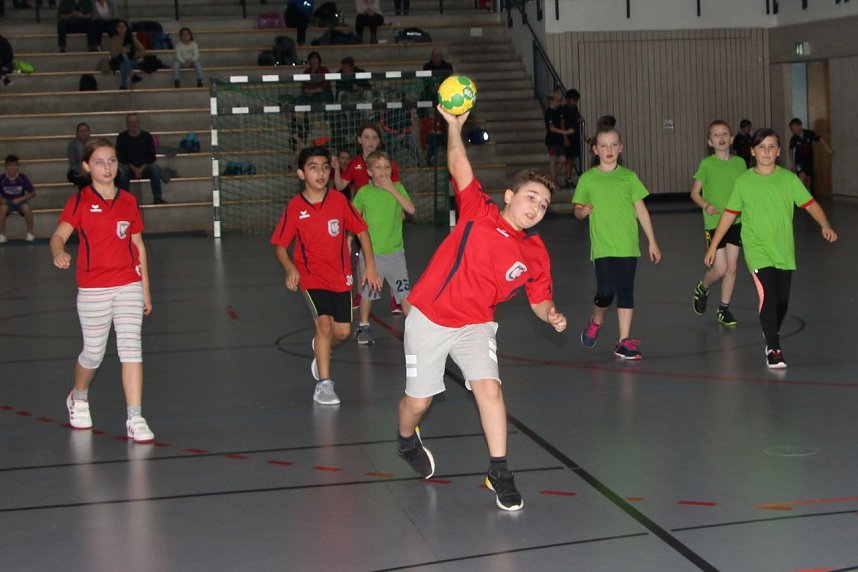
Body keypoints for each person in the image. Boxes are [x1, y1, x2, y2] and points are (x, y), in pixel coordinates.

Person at [397, 104, 566, 512]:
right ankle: (405, 440)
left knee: (489, 389)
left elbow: (539, 299)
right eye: (531, 198)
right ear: (509, 196)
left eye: (543, 205)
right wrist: (453, 126)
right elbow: (458, 163)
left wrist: (551, 314)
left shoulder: (536, 253)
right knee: (418, 403)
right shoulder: (478, 212)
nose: (536, 208)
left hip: (476, 324)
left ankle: (499, 471)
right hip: (430, 318)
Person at [49, 138, 155, 443]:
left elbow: (138, 246)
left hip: (128, 284)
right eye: (99, 162)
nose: (107, 167)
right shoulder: (80, 201)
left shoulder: (128, 201)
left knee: (131, 348)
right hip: (94, 287)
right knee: (93, 353)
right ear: (86, 166)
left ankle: (135, 416)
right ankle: (78, 396)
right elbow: (58, 236)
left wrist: (145, 289)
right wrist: (58, 252)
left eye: (111, 161)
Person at [705, 128, 836, 368]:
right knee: (767, 294)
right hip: (757, 249)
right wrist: (714, 246)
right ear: (753, 151)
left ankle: (771, 330)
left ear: (778, 152)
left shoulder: (788, 179)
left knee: (782, 301)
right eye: (761, 147)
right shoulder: (744, 182)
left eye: (771, 147)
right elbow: (729, 215)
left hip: (783, 249)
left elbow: (809, 204)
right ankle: (774, 348)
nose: (766, 151)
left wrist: (825, 224)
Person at [271, 145, 382, 405]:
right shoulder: (295, 207)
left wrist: (371, 265)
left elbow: (362, 231)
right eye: (313, 168)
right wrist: (290, 267)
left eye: (324, 167)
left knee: (342, 332)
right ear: (301, 174)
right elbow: (280, 245)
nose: (320, 173)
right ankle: (324, 384)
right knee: (323, 325)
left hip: (340, 276)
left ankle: (320, 351)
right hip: (311, 277)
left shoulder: (339, 201)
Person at [573, 127, 661, 360]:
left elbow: (641, 210)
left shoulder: (629, 177)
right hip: (603, 248)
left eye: (613, 145)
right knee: (605, 292)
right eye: (604, 145)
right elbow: (577, 211)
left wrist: (652, 241)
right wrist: (582, 211)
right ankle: (597, 319)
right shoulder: (588, 178)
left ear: (621, 147)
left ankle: (623, 341)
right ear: (595, 149)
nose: (609, 150)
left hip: (628, 246)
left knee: (625, 292)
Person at [333, 122, 404, 314]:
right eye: (366, 137)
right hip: (364, 219)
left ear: (379, 140)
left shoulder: (387, 164)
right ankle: (361, 292)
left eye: (374, 137)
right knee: (362, 256)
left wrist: (400, 209)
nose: (370, 141)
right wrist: (337, 169)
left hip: (385, 216)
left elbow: (396, 188)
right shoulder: (356, 163)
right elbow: (340, 186)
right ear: (359, 140)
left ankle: (396, 298)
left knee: (392, 258)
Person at [352, 150, 414, 344]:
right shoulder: (364, 193)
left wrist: (392, 189)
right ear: (369, 172)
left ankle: (414, 329)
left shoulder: (398, 187)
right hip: (373, 256)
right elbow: (353, 218)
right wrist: (348, 241)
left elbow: (411, 209)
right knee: (368, 294)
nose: (383, 171)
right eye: (378, 167)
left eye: (387, 167)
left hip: (395, 253)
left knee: (405, 293)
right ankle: (364, 326)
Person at [690, 120, 747, 327]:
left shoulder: (740, 163)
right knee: (720, 269)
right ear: (710, 141)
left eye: (725, 134)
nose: (721, 137)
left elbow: (745, 190)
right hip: (715, 223)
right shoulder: (707, 164)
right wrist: (706, 205)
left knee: (732, 267)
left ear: (731, 139)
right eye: (716, 135)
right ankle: (703, 287)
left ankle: (723, 309)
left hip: (736, 221)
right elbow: (695, 193)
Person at [116, 113, 166, 204]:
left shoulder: (146, 136)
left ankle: (157, 197)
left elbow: (151, 156)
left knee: (154, 168)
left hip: (145, 167)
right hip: (129, 168)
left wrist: (141, 169)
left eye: (135, 122)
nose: (133, 124)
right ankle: (124, 200)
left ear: (139, 123)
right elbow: (120, 157)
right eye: (130, 122)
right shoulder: (121, 137)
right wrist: (134, 169)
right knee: (123, 171)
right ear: (127, 124)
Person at [788, 117, 833, 193]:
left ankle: (808, 195)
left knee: (808, 178)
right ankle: (799, 195)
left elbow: (820, 139)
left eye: (795, 129)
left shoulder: (809, 133)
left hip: (809, 158)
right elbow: (790, 150)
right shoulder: (794, 138)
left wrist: (828, 149)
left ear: (800, 126)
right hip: (799, 160)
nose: (794, 131)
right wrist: (792, 163)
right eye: (792, 130)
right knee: (802, 176)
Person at [0, 154, 36, 243]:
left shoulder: (22, 178)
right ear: (6, 167)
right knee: (2, 208)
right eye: (9, 166)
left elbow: (32, 193)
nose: (12, 168)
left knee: (26, 208)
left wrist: (21, 199)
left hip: (20, 201)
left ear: (17, 167)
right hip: (7, 202)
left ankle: (30, 233)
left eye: (14, 165)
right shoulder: (2, 178)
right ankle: (1, 235)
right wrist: (1, 199)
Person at [544, 90, 573, 187]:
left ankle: (551, 176)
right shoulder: (549, 112)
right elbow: (552, 128)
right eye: (557, 101)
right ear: (551, 101)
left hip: (559, 139)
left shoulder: (559, 110)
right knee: (553, 159)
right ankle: (552, 179)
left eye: (559, 101)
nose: (559, 103)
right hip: (552, 139)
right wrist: (565, 132)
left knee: (563, 159)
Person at [108, 19, 144, 89]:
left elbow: (142, 50)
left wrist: (136, 55)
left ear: (126, 28)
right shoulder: (113, 39)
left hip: (131, 60)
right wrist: (122, 51)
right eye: (119, 26)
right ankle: (132, 76)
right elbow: (114, 55)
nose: (121, 28)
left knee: (124, 63)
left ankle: (123, 85)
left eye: (123, 26)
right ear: (116, 28)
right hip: (117, 60)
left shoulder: (131, 38)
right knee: (123, 60)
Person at [560, 89, 584, 187]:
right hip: (568, 135)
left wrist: (580, 119)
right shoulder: (564, 109)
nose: (575, 102)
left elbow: (577, 118)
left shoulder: (575, 109)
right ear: (569, 100)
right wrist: (565, 137)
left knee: (573, 157)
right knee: (568, 158)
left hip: (575, 135)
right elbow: (562, 123)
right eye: (574, 100)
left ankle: (569, 176)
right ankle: (567, 177)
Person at [67, 122, 91, 190]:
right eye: (81, 131)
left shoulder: (93, 144)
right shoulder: (72, 145)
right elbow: (73, 164)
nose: (84, 133)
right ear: (77, 133)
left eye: (86, 131)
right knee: (84, 180)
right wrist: (82, 172)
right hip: (78, 171)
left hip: (91, 171)